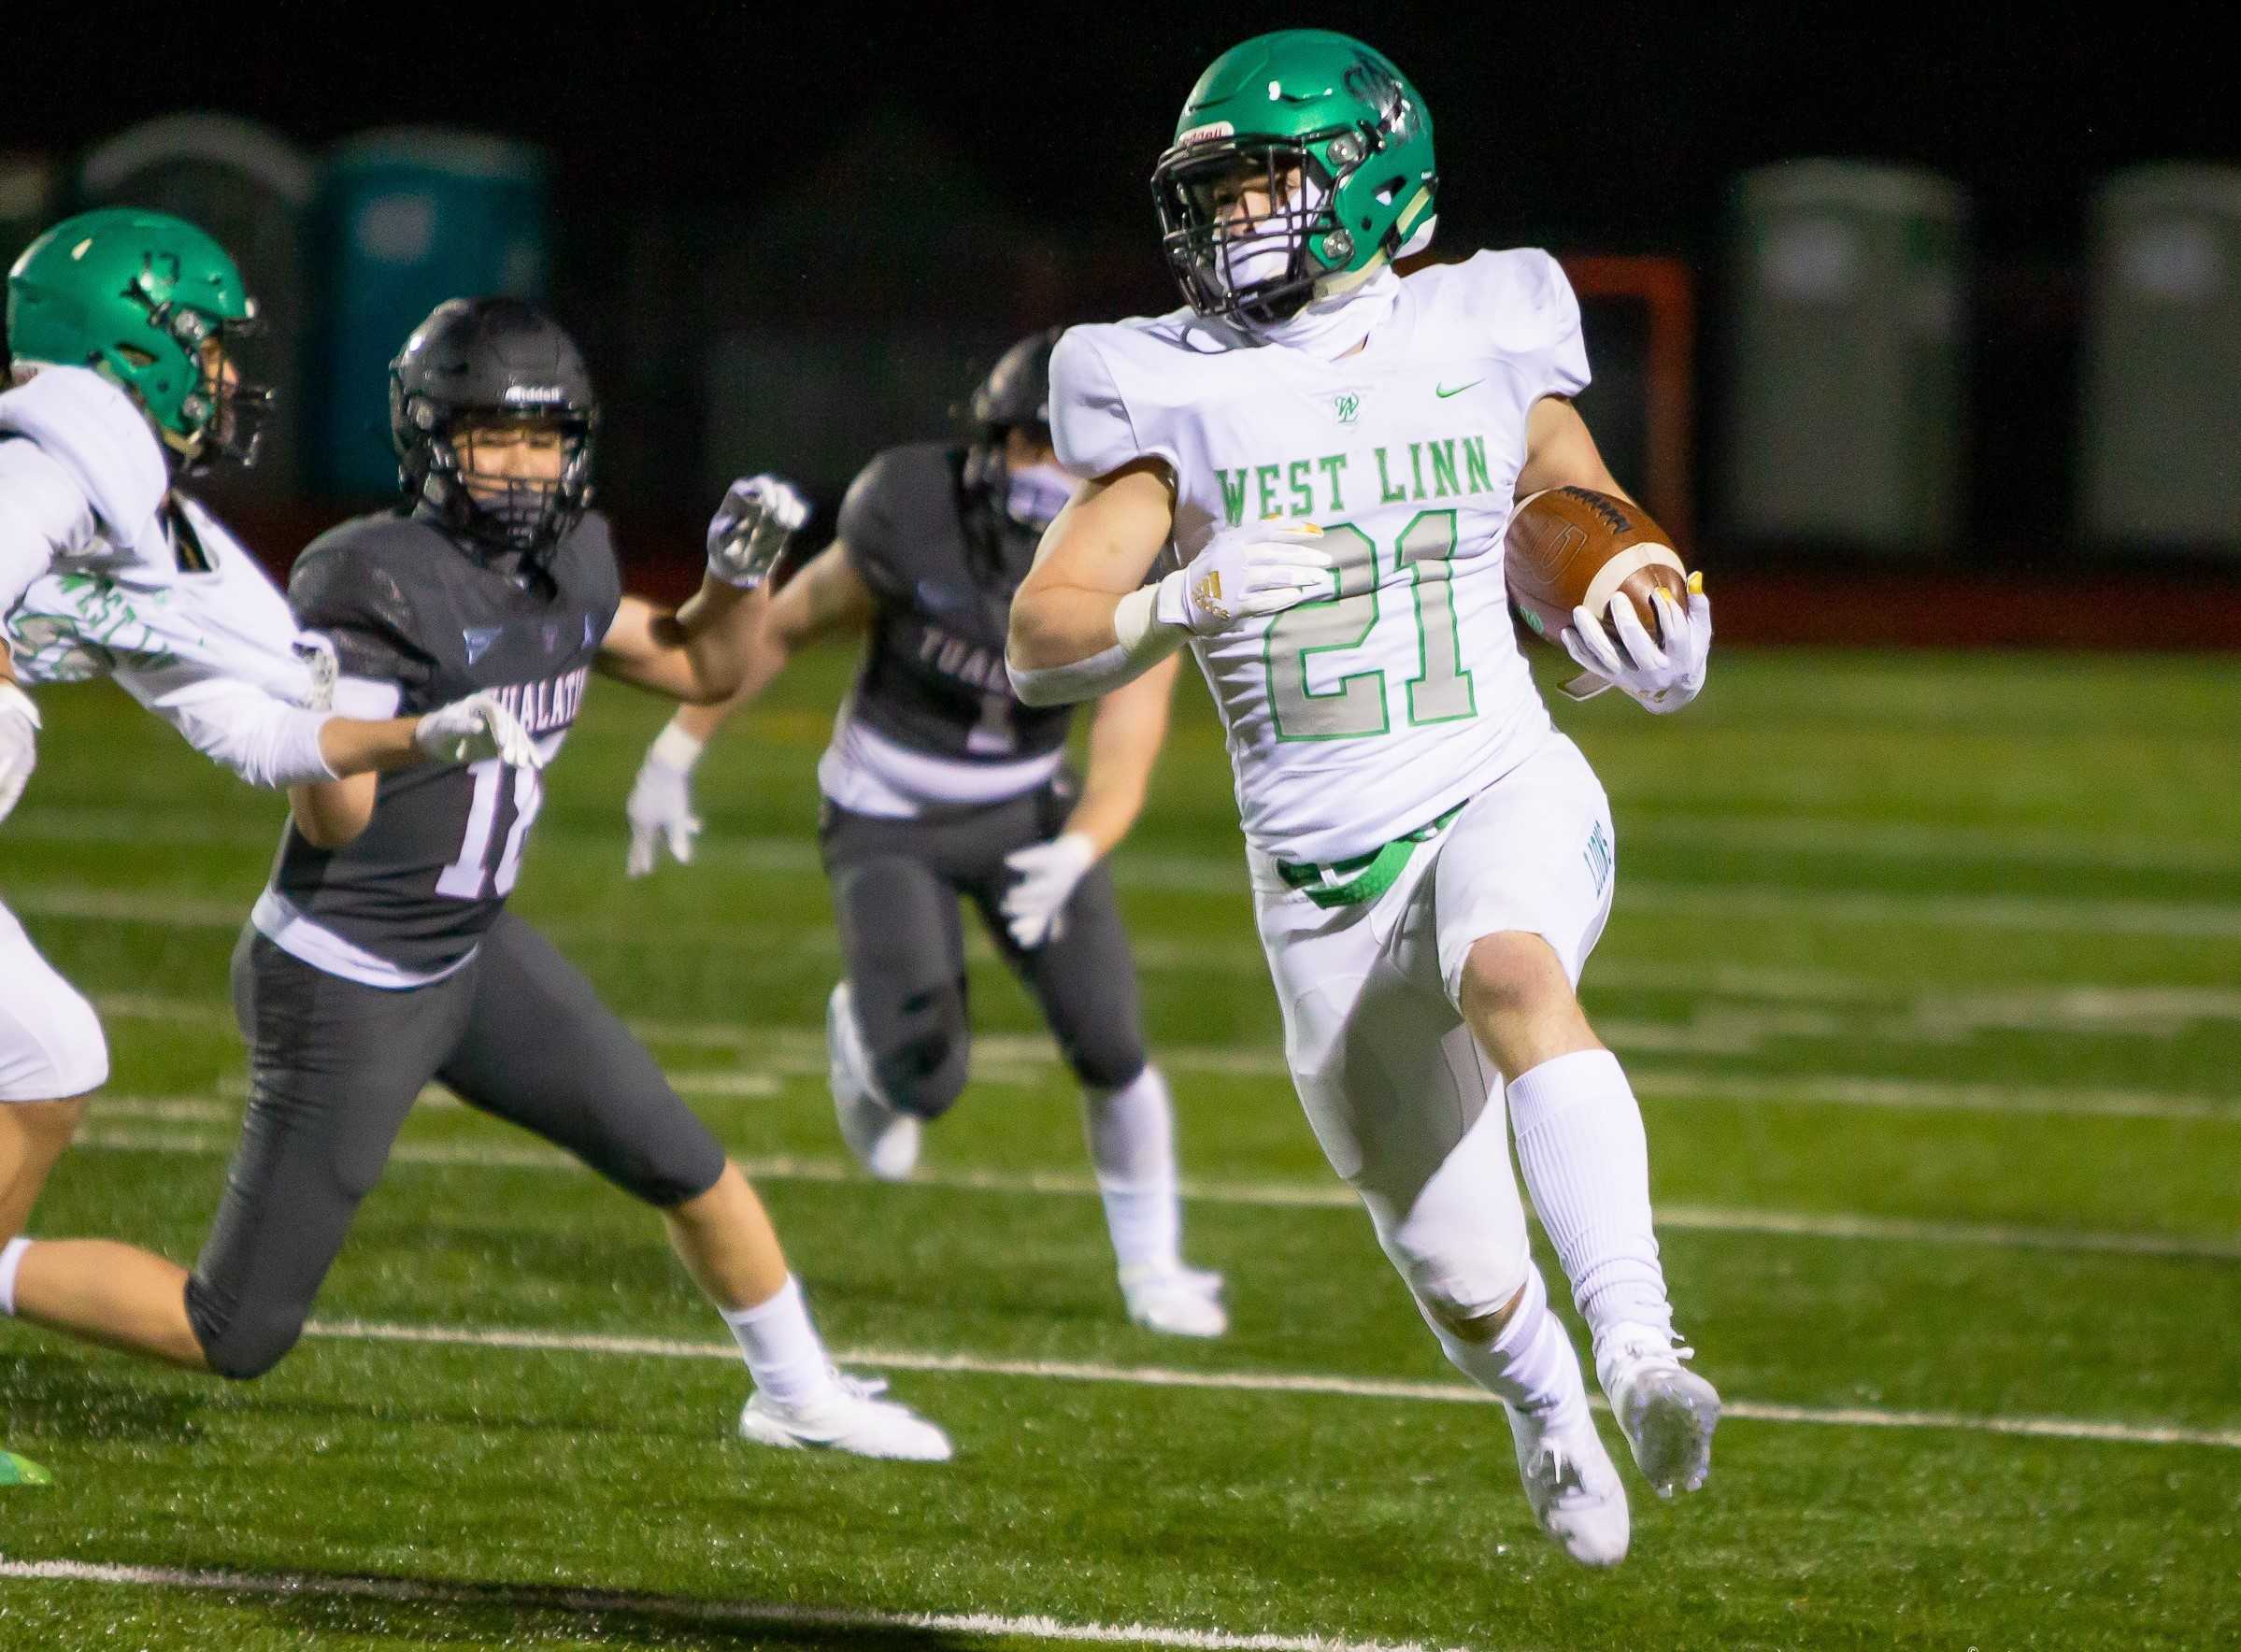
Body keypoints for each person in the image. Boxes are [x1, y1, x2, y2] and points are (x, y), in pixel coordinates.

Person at [1, 294, 951, 1463]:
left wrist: (735, 578)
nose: (517, 464)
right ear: (431, 441)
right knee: (234, 1329)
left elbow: (704, 663)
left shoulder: (574, 554)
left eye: (540, 437)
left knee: (682, 1159)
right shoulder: (373, 575)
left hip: (473, 948)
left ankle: (798, 1392)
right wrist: (377, 721)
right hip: (348, 977)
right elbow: (333, 814)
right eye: (489, 435)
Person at [1005, 30, 1720, 1567]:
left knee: (1514, 972)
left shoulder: (1484, 318)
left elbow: (1570, 496)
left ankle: (1643, 1345)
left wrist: (1642, 597)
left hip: (1494, 778)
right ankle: (1544, 1401)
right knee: (1460, 1274)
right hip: (1321, 884)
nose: (1224, 225)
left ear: (1368, 178)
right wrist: (1177, 594)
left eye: (1259, 185)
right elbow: (1040, 636)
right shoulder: (1159, 384)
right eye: (1213, 193)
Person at [1, 211, 540, 1481]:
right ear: (139, 348)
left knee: (51, 1054)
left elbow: (258, 731)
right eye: (212, 348)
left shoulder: (137, 513)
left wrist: (413, 737)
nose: (231, 379)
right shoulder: (54, 458)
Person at [624, 333, 1225, 1337]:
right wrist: (676, 747)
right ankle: (864, 1034)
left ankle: (1153, 1265)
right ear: (988, 443)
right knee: (925, 1080)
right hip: (888, 810)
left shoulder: (1138, 552)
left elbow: (1130, 735)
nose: (1046, 471)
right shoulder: (913, 513)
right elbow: (780, 627)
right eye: (1030, 443)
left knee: (1112, 1040)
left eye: (1070, 450)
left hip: (1026, 806)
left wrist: (1080, 846)